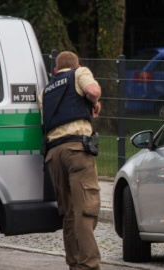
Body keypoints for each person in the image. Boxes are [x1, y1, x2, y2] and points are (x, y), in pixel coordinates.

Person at [38, 51, 102, 270]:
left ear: (55, 71)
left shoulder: (45, 91)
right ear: (77, 65)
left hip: (53, 155)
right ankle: (89, 266)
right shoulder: (80, 73)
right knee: (85, 209)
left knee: (68, 213)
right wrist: (94, 102)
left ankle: (74, 264)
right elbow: (93, 90)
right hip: (76, 150)